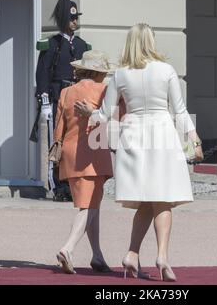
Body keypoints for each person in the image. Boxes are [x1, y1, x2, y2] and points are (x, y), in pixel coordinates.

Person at [75, 24, 204, 282]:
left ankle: (132, 254)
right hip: (161, 134)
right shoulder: (166, 70)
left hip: (132, 134)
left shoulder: (120, 75)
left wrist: (89, 113)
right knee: (163, 199)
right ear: (151, 42)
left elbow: (105, 113)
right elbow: (179, 110)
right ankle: (162, 256)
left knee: (146, 199)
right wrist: (193, 137)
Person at [54, 50, 117, 274]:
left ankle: (97, 255)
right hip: (94, 154)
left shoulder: (66, 92)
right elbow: (117, 118)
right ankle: (68, 248)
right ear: (98, 72)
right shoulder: (103, 90)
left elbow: (58, 130)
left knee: (91, 205)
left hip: (70, 155)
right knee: (88, 206)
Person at [35, 0, 91, 202]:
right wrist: (44, 101)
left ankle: (74, 183)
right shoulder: (51, 44)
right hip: (58, 98)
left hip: (77, 100)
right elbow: (43, 73)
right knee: (57, 144)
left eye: (77, 18)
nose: (75, 21)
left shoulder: (82, 46)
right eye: (71, 18)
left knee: (76, 144)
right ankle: (58, 186)